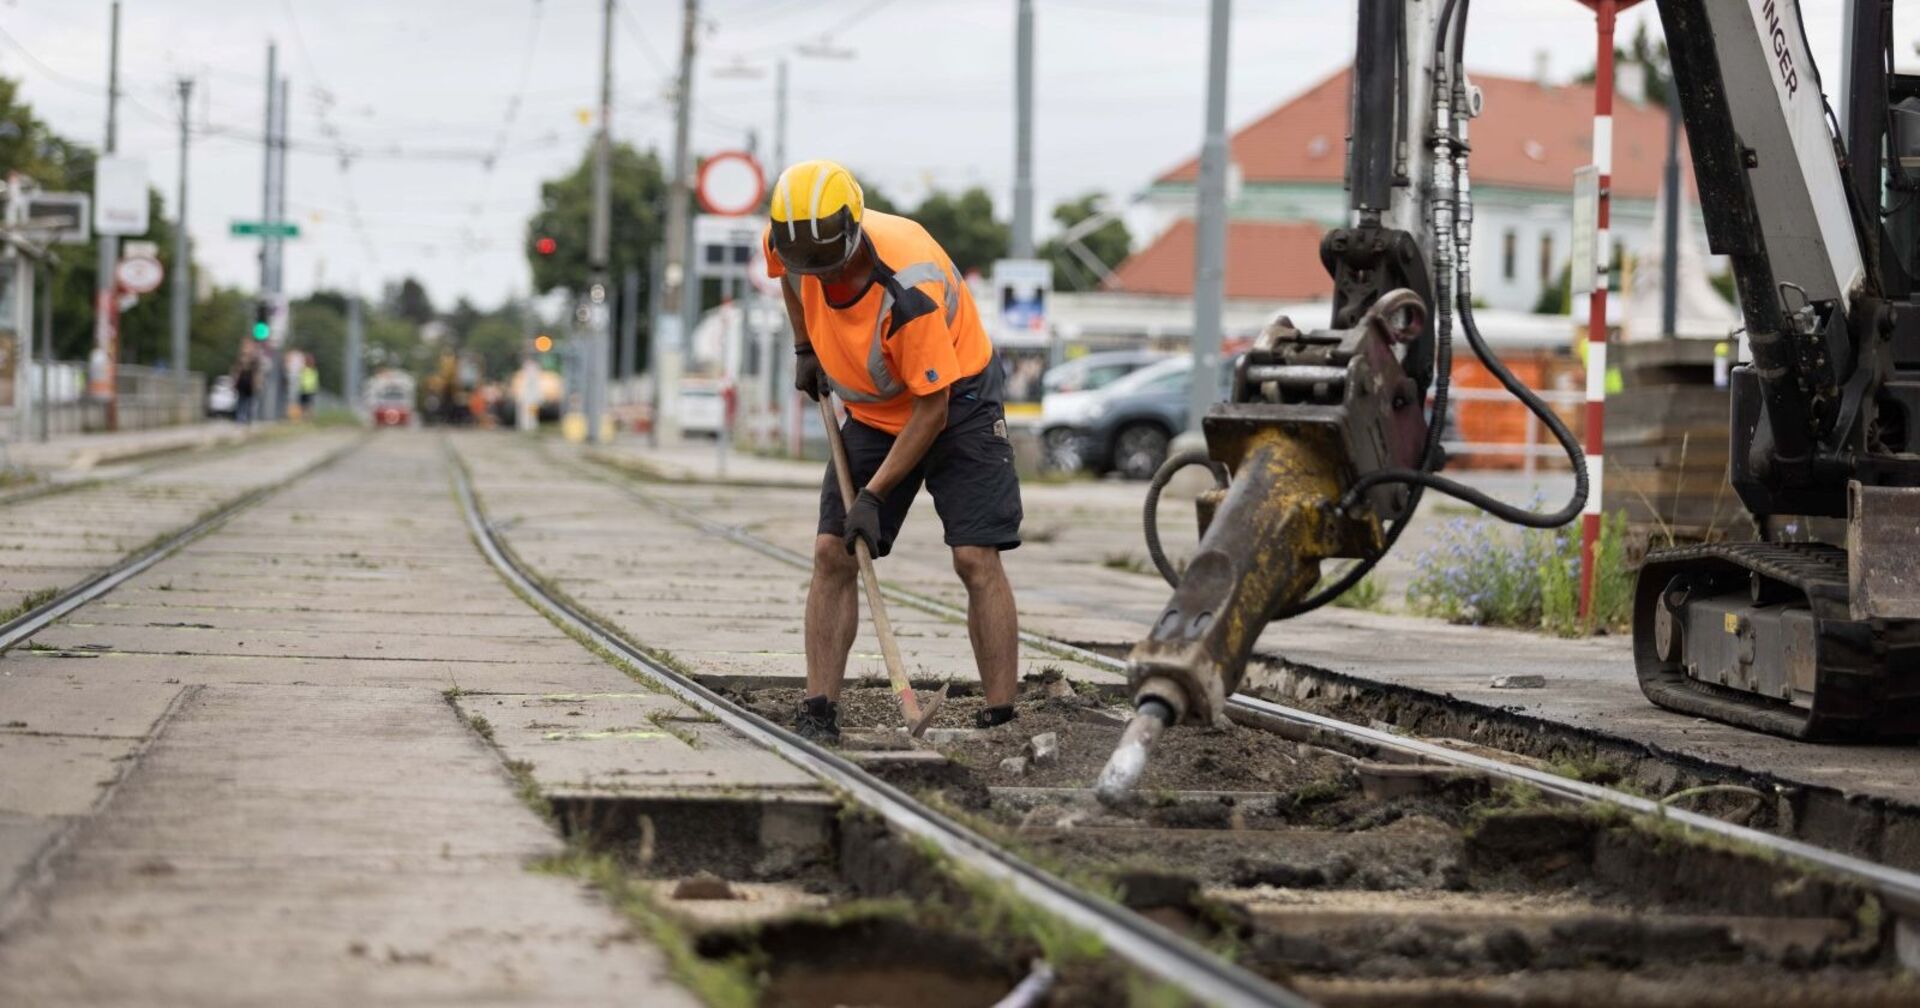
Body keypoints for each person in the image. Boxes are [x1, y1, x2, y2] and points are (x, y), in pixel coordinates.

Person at [765, 159, 1024, 741]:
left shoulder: (910, 287)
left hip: (958, 404)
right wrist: (805, 346)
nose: (820, 278)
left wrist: (876, 495)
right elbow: (787, 275)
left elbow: (930, 412)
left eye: (829, 265)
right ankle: (818, 712)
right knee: (833, 551)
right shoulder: (793, 233)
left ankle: (1001, 717)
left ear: (852, 233)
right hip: (873, 413)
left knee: (975, 557)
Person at [232, 349, 258, 425]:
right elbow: (236, 374)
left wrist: (256, 385)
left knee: (249, 403)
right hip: (242, 386)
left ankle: (248, 418)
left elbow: (255, 375)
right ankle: (240, 419)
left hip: (249, 386)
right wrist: (234, 384)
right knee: (241, 402)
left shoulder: (254, 363)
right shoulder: (240, 363)